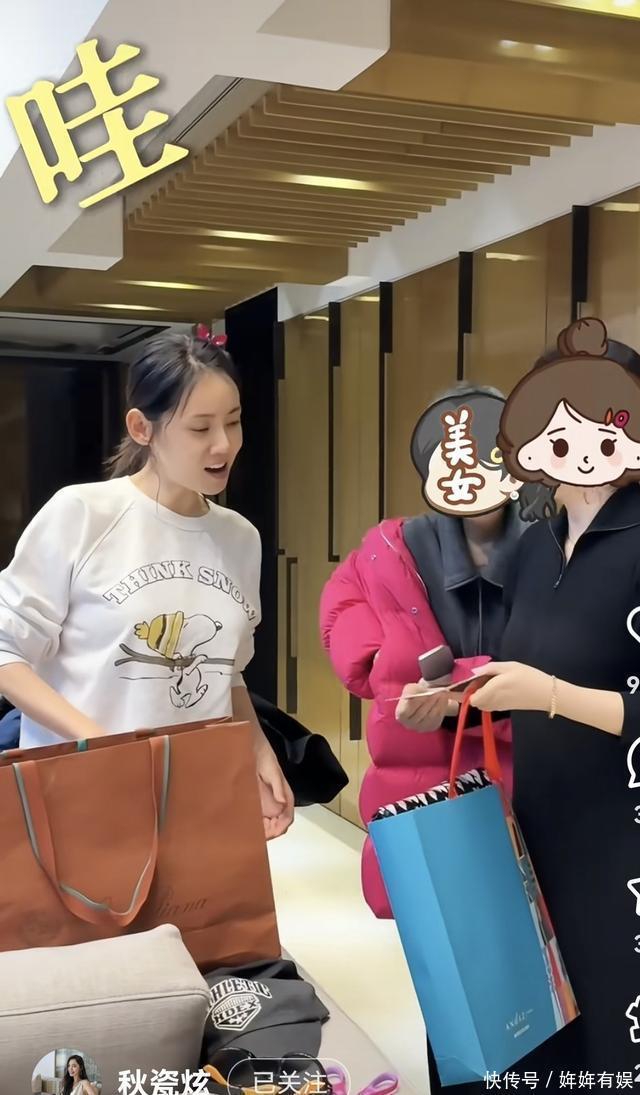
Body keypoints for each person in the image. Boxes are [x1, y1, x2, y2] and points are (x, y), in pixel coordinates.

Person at [0, 330, 294, 840]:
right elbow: (6, 655)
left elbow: (226, 672)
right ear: (142, 428)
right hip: (83, 803)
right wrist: (104, 745)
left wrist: (258, 750)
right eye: (200, 427)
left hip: (198, 798)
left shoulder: (239, 537)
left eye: (233, 421)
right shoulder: (83, 514)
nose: (224, 444)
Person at [470, 317, 640, 1074]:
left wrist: (550, 694)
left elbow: (561, 688)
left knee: (613, 1029)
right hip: (541, 825)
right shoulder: (534, 545)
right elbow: (526, 668)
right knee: (550, 1033)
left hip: (621, 837)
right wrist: (461, 697)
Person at [320, 383, 554, 920]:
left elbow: (570, 661)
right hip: (424, 783)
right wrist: (383, 664)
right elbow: (343, 606)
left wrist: (465, 685)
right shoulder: (391, 547)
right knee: (442, 933)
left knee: (533, 933)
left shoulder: (553, 544)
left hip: (534, 781)